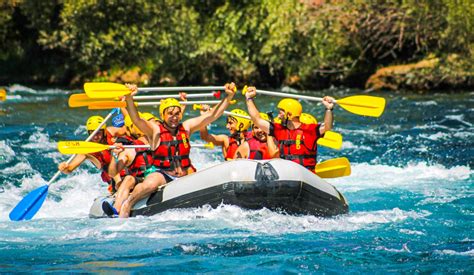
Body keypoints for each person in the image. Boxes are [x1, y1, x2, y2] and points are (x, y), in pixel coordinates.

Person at [118, 82, 237, 218]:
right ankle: (128, 203)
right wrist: (129, 98)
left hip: (185, 174)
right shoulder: (155, 130)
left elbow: (211, 116)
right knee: (149, 185)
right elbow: (136, 119)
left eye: (177, 114)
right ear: (163, 115)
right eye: (170, 114)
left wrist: (228, 97)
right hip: (163, 174)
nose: (174, 117)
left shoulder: (186, 128)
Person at [244, 86, 335, 171]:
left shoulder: (309, 130)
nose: (278, 117)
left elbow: (327, 126)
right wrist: (249, 98)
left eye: (281, 113)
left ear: (289, 114)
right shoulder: (278, 129)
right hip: (287, 173)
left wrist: (328, 109)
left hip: (306, 174)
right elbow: (257, 120)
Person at [58, 116, 121, 194]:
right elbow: (70, 169)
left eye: (98, 133)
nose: (95, 136)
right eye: (92, 133)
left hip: (123, 164)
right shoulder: (86, 151)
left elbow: (128, 131)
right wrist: (65, 169)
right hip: (111, 175)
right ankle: (118, 189)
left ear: (104, 132)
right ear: (88, 133)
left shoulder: (111, 131)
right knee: (111, 169)